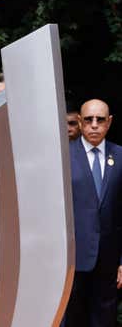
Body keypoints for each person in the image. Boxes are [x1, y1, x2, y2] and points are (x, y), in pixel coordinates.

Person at [64, 99, 122, 327]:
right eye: (89, 119)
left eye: (100, 120)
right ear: (79, 122)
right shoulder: (64, 156)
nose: (94, 125)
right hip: (72, 261)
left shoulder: (120, 157)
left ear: (109, 122)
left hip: (107, 263)